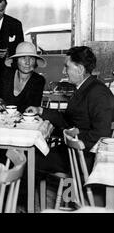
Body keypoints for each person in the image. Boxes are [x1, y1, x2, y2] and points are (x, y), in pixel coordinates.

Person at [26, 46, 114, 174]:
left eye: (66, 66)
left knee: (30, 160)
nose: (63, 71)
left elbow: (101, 135)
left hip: (85, 156)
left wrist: (72, 135)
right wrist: (40, 110)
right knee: (32, 154)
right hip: (75, 150)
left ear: (80, 69)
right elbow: (67, 120)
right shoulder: (84, 88)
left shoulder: (98, 93)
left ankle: (23, 193)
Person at [0, 41, 46, 113]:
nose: (27, 62)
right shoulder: (6, 75)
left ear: (35, 62)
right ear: (16, 60)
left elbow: (32, 108)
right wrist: (0, 103)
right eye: (23, 58)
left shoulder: (38, 80)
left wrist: (8, 108)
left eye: (31, 58)